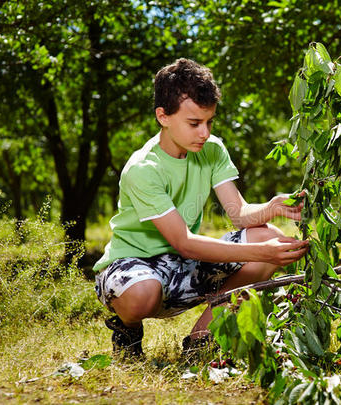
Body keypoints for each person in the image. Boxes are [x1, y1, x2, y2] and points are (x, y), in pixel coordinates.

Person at [93, 58, 308, 358]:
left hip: (183, 267)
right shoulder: (143, 168)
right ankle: (128, 329)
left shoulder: (212, 149)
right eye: (194, 123)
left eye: (209, 122)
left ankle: (202, 339)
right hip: (133, 268)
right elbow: (184, 241)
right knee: (142, 294)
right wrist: (262, 253)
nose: (204, 133)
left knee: (265, 234)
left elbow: (239, 214)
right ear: (163, 116)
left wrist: (273, 207)